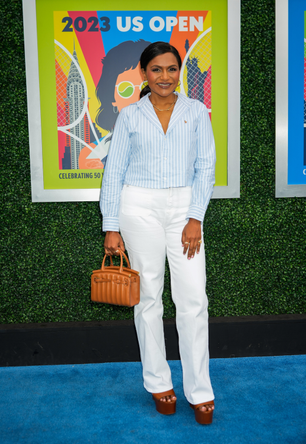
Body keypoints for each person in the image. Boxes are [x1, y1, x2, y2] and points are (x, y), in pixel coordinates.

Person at [100, 41, 216, 425]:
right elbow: (113, 172)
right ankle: (157, 383)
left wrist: (195, 217)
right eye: (156, 70)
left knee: (193, 299)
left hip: (185, 209)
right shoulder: (130, 116)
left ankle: (200, 390)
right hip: (138, 207)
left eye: (171, 69)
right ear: (144, 73)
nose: (164, 76)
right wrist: (111, 226)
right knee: (147, 297)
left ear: (178, 71)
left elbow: (206, 168)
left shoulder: (197, 112)